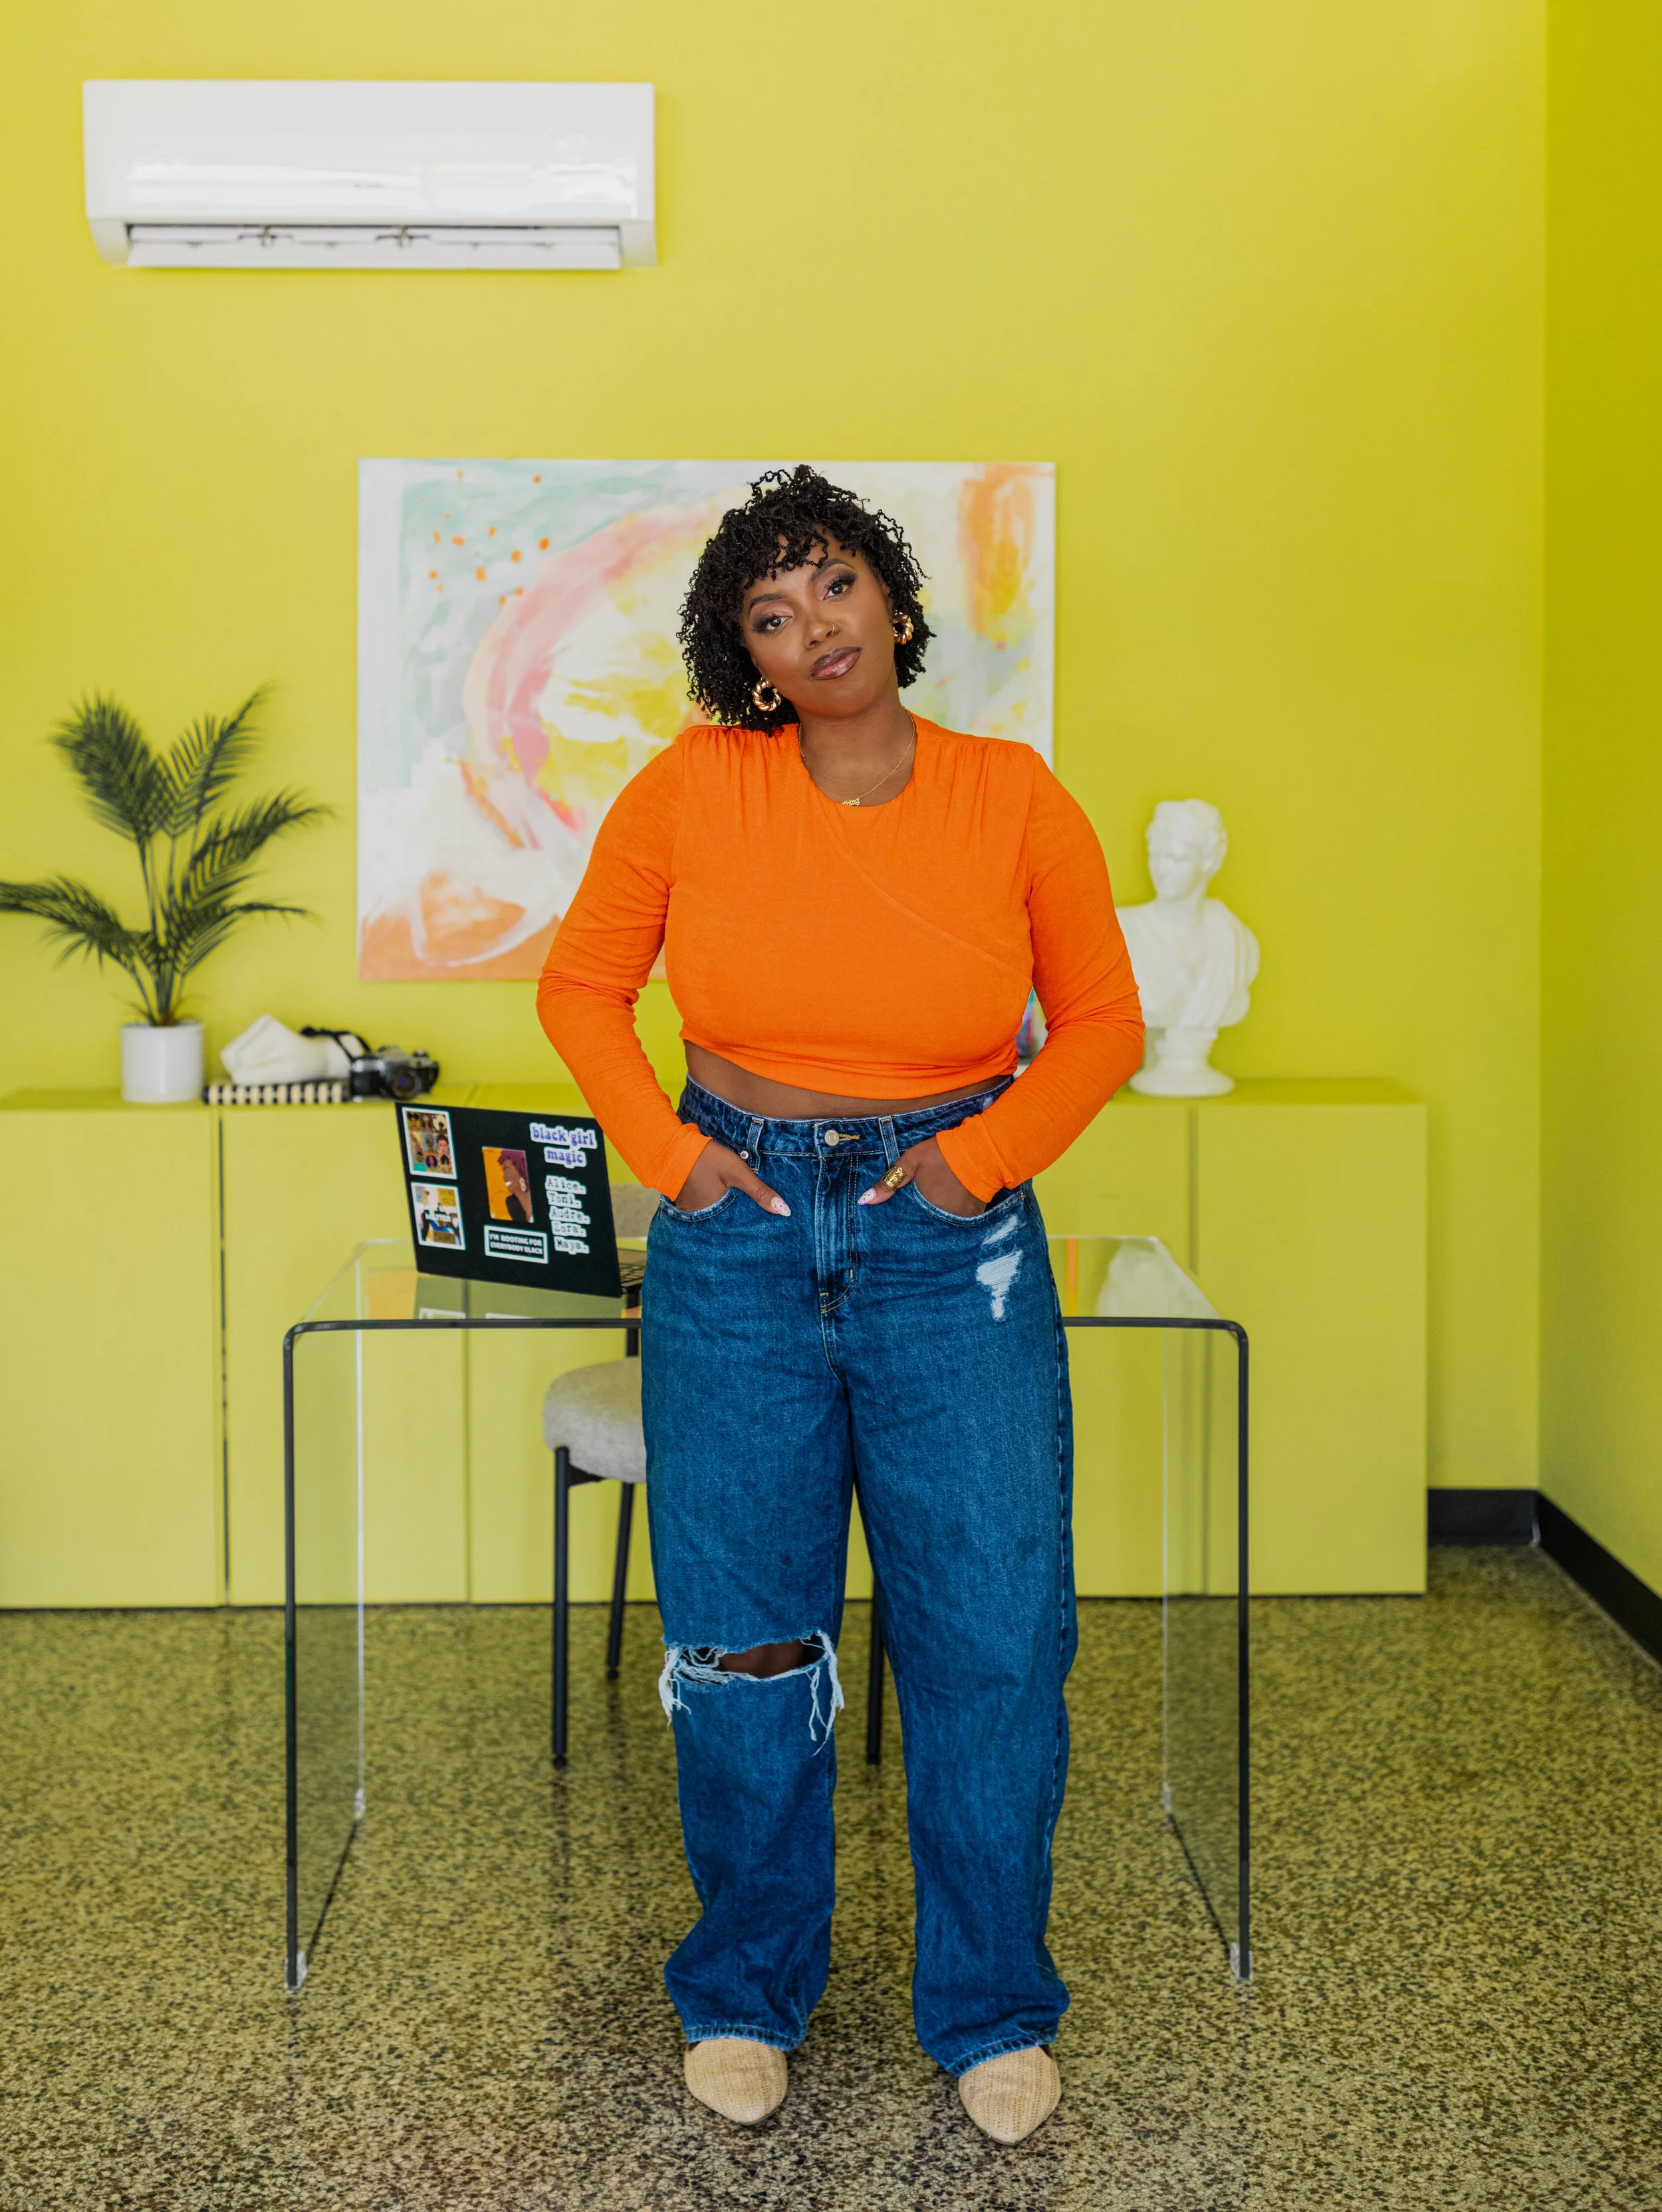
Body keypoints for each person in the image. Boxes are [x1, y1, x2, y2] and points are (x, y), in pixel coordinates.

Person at [538, 467, 1143, 2146]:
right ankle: (741, 1991)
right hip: (733, 1228)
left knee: (994, 1635)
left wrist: (973, 1161)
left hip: (955, 1240)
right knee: (739, 1641)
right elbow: (582, 983)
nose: (811, 630)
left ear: (889, 593)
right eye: (769, 615)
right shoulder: (691, 787)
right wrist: (662, 1149)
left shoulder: (1012, 796)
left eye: (830, 588)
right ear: (744, 657)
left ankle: (990, 2007)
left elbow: (1096, 1019)